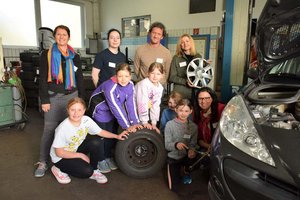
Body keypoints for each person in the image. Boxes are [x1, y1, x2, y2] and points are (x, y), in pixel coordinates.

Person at [35, 25, 85, 178]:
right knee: (49, 129)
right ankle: (43, 161)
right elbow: (43, 78)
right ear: (54, 36)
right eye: (58, 34)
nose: (61, 37)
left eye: (64, 34)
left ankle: (65, 160)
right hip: (53, 97)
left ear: (68, 37)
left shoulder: (74, 55)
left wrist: (81, 100)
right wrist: (44, 100)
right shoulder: (47, 54)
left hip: (72, 96)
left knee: (70, 130)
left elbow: (79, 78)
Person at [50, 97, 128, 184]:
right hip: (60, 158)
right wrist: (80, 155)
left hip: (74, 149)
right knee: (87, 171)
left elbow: (101, 132)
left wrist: (117, 136)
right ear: (68, 110)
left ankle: (95, 170)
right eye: (73, 110)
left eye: (79, 110)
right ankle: (58, 169)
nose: (76, 113)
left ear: (84, 111)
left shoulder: (86, 120)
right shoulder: (63, 128)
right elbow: (59, 153)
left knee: (97, 142)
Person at [89, 62, 143, 173]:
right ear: (115, 76)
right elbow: (116, 107)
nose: (123, 79)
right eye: (120, 76)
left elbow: (130, 104)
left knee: (111, 135)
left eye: (126, 76)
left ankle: (108, 157)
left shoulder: (131, 85)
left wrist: (135, 122)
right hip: (99, 110)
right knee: (101, 136)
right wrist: (127, 126)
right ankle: (100, 160)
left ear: (130, 76)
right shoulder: (111, 87)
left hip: (110, 111)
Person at [164, 99, 198, 193]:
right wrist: (176, 145)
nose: (183, 114)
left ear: (191, 111)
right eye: (181, 110)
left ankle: (186, 170)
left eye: (186, 111)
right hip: (173, 158)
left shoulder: (194, 127)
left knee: (200, 159)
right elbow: (167, 145)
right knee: (174, 188)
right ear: (176, 110)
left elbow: (193, 144)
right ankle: (178, 170)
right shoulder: (169, 125)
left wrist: (192, 150)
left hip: (185, 157)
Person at [168, 34, 202, 99]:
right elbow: (172, 77)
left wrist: (205, 66)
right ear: (180, 45)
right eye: (182, 42)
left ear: (191, 42)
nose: (185, 44)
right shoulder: (176, 58)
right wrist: (185, 81)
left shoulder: (198, 56)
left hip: (195, 92)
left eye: (187, 41)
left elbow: (200, 74)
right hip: (181, 94)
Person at [135, 62, 164, 134]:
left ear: (162, 75)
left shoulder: (160, 87)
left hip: (143, 110)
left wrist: (154, 123)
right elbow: (142, 103)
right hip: (133, 110)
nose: (155, 76)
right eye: (152, 73)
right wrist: (145, 121)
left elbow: (155, 105)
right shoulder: (144, 84)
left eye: (158, 74)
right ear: (148, 73)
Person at [193, 87, 225, 152]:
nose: (203, 101)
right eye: (200, 98)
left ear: (212, 99)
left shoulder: (221, 108)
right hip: (206, 147)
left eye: (207, 98)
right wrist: (209, 146)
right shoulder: (195, 113)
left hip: (222, 147)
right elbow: (198, 138)